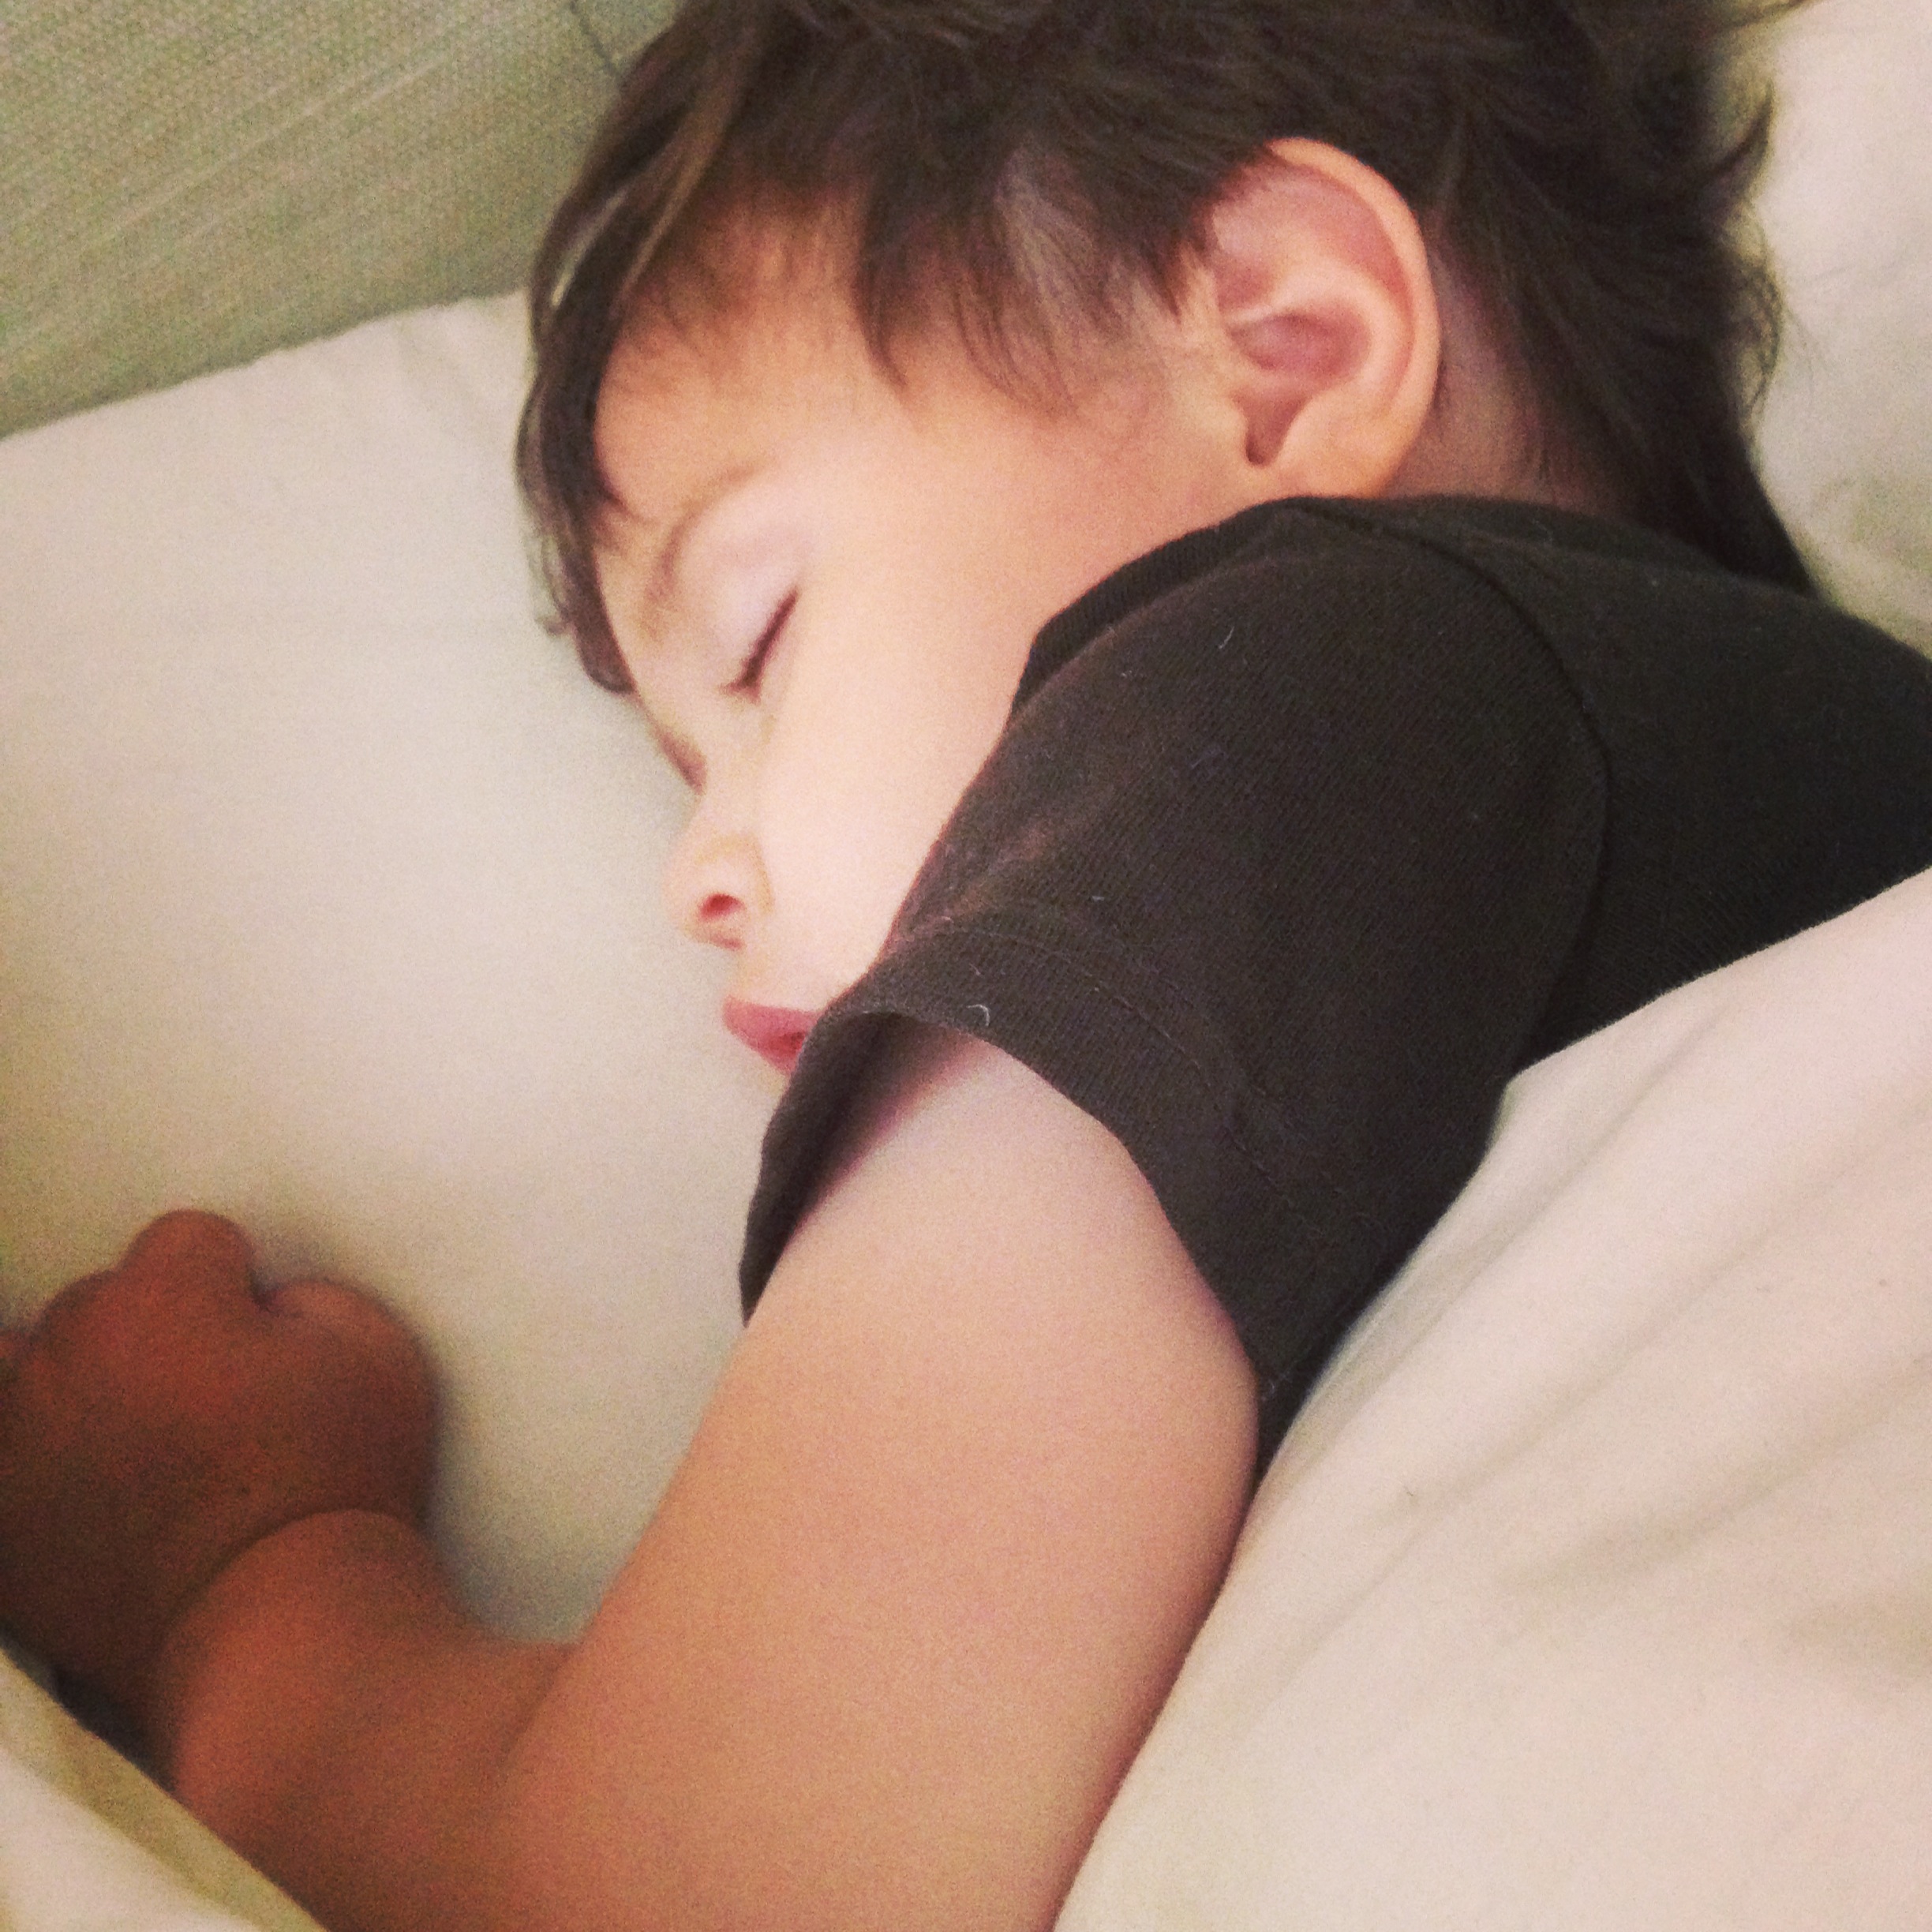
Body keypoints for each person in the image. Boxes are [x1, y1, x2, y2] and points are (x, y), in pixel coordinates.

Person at [5, 2, 1932, 1927]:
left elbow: (707, 1890)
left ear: (1288, 354)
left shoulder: (1295, 693)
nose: (696, 875)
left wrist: (239, 1574)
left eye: (760, 641)